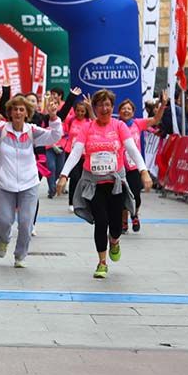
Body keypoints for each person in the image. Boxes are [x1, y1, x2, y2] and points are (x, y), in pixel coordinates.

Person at [57, 90, 151, 279]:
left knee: (115, 225)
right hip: (94, 183)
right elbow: (76, 152)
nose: (104, 108)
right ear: (95, 107)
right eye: (100, 105)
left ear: (112, 107)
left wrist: (143, 171)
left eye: (107, 105)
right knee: (101, 222)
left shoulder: (119, 126)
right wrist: (64, 175)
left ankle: (114, 241)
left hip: (115, 183)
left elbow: (132, 149)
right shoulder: (88, 128)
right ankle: (102, 262)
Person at [0, 94, 63, 267]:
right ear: (9, 112)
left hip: (28, 184)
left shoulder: (33, 131)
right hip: (4, 184)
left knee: (26, 223)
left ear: (27, 113)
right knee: (4, 221)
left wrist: (53, 117)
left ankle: (20, 255)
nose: (17, 112)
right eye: (14, 109)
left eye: (21, 109)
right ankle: (3, 239)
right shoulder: (1, 129)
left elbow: (55, 136)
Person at [117, 94, 166, 232]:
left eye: (129, 109)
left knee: (136, 196)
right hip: (120, 166)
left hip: (134, 167)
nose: (126, 111)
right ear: (119, 111)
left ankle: (135, 215)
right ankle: (123, 221)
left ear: (133, 112)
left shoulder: (138, 123)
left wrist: (163, 105)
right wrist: (91, 109)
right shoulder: (115, 124)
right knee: (121, 196)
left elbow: (156, 119)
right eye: (123, 109)